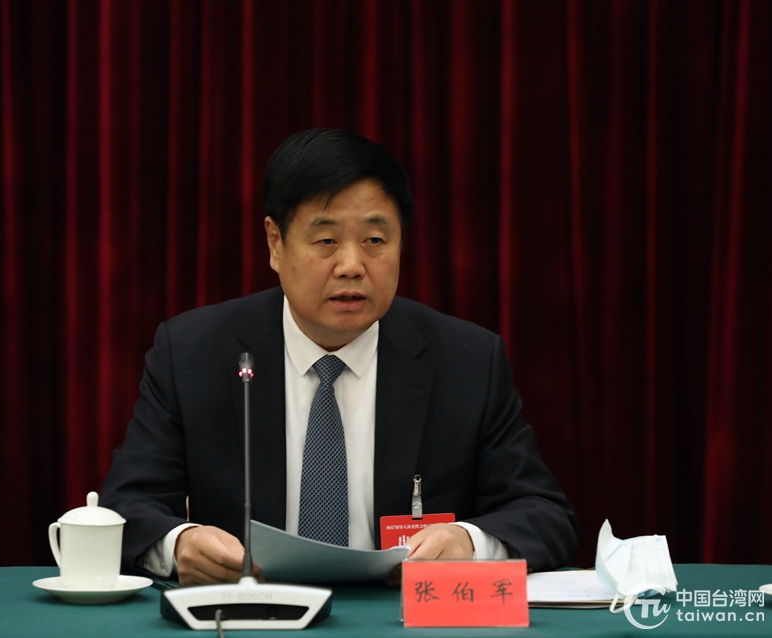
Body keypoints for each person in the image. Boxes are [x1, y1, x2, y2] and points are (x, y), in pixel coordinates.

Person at [100, 129, 578, 586]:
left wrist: (469, 544)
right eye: (326, 241)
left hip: (400, 622)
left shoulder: (466, 361)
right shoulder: (193, 352)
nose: (351, 266)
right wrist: (180, 544)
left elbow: (545, 516)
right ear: (275, 243)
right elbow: (126, 506)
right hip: (251, 618)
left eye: (375, 241)